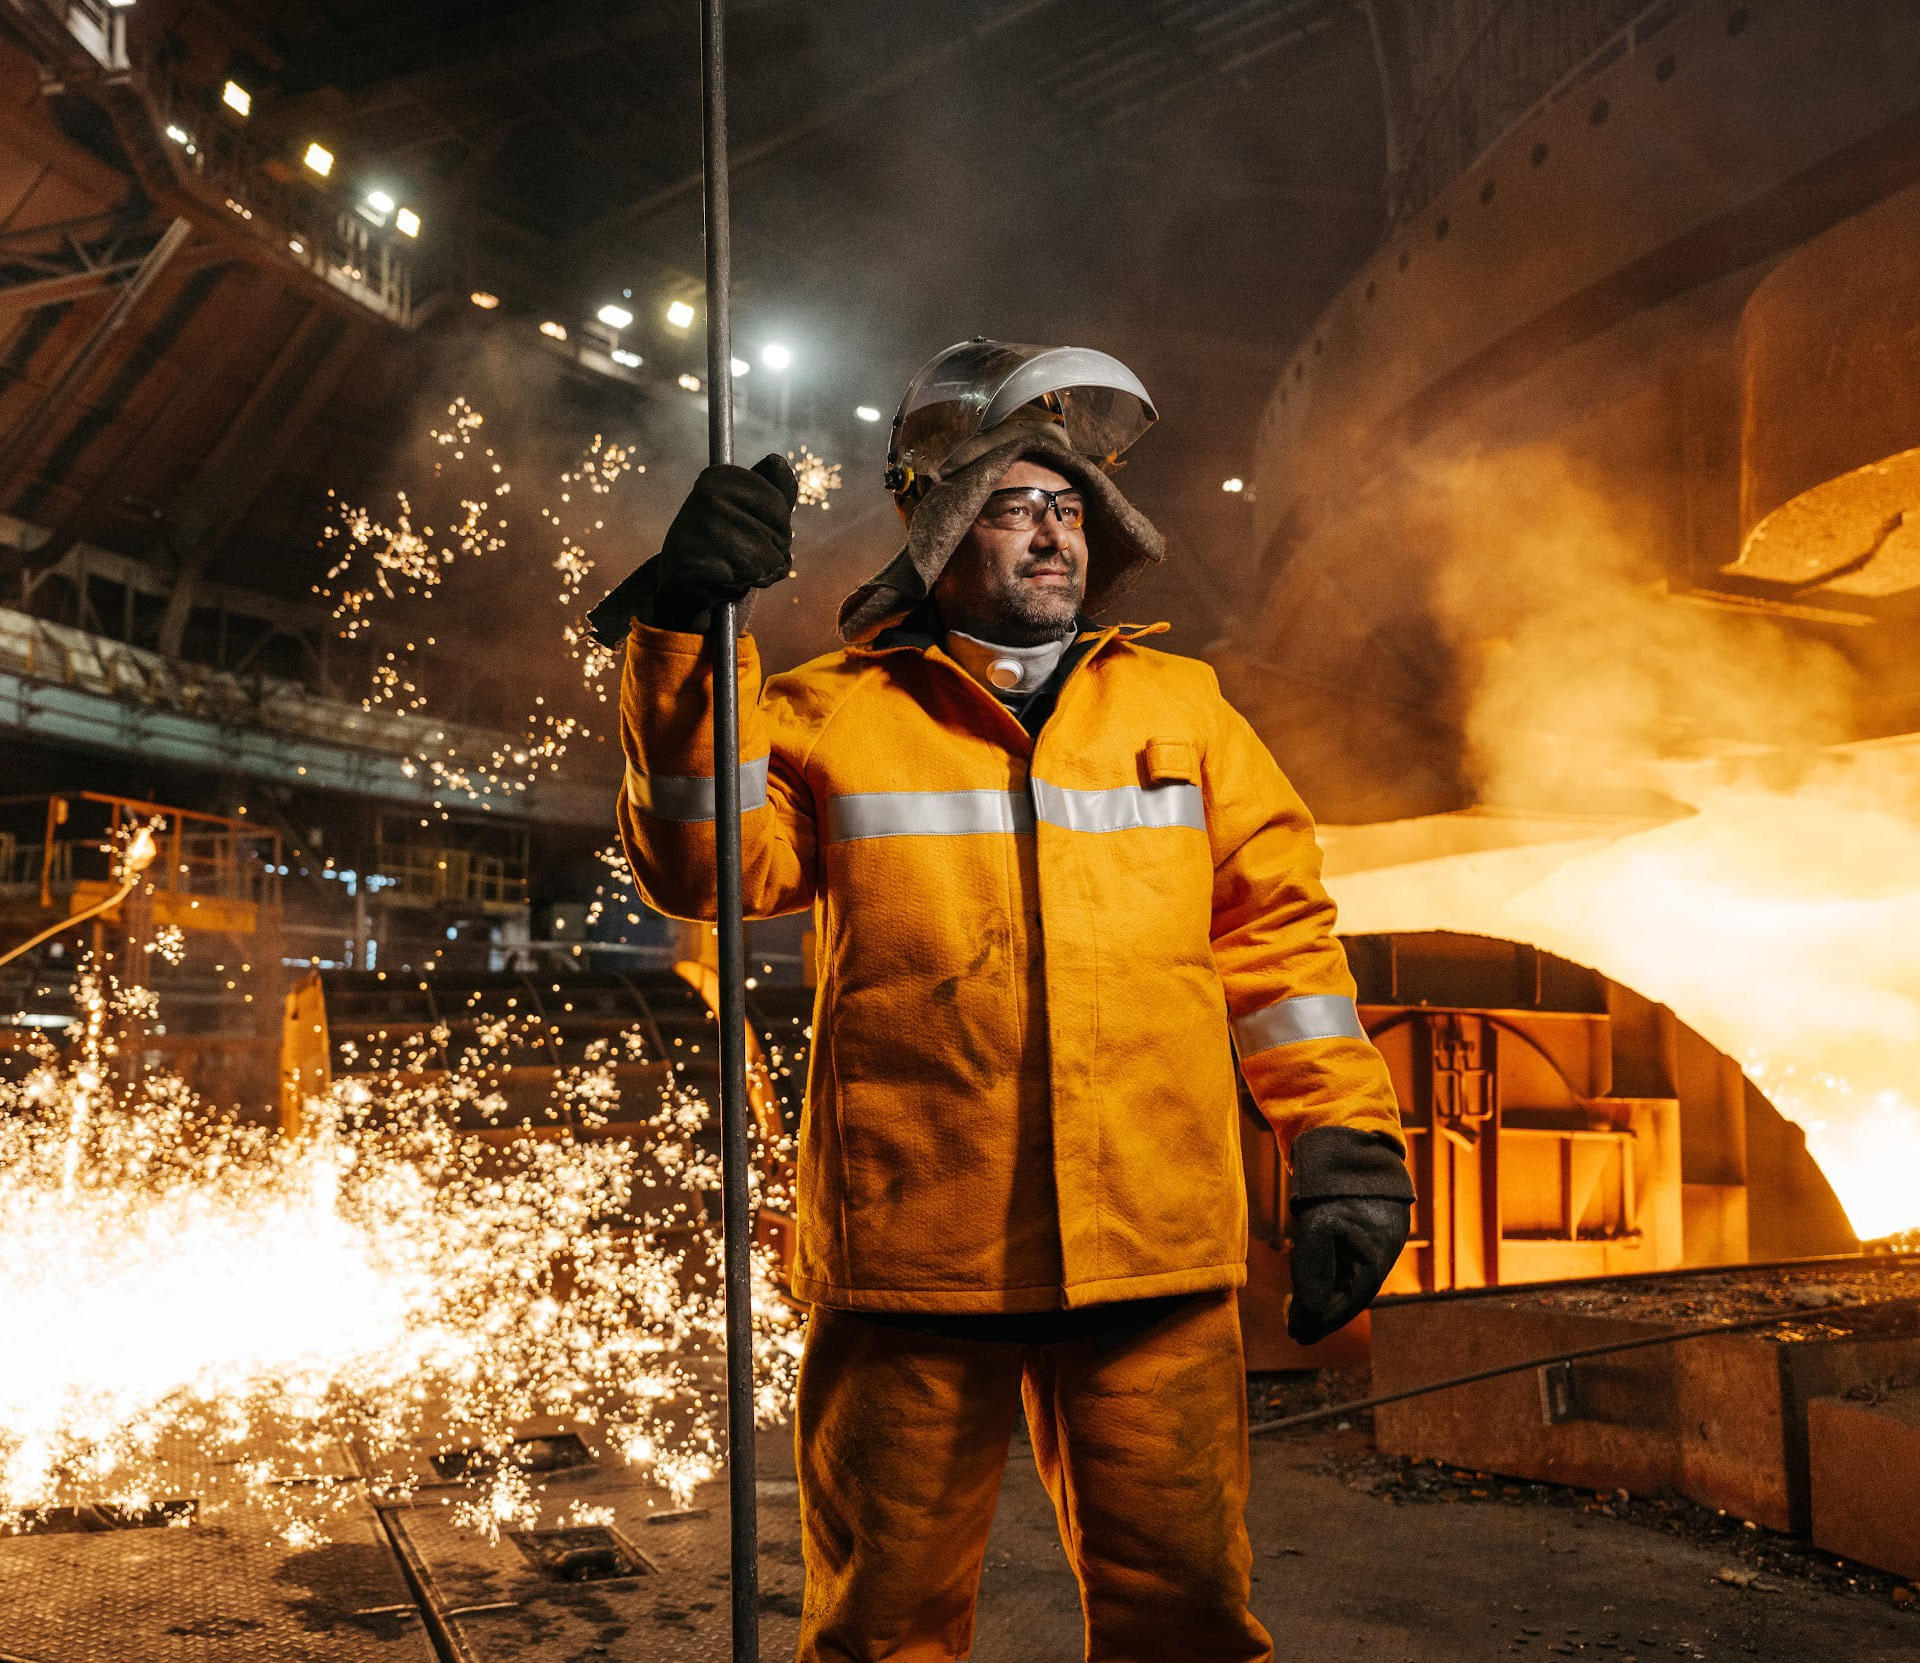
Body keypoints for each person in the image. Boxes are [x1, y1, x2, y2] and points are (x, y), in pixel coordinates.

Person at [595, 339, 1416, 1661]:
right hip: (915, 1255)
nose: (1052, 529)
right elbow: (704, 868)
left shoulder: (1184, 711)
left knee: (1189, 1621)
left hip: (1148, 1249)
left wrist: (1343, 1143)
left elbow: (1280, 940)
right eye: (1013, 503)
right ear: (934, 531)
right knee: (885, 1634)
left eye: (1070, 504)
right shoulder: (821, 717)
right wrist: (688, 633)